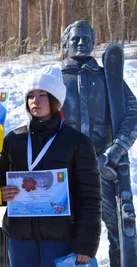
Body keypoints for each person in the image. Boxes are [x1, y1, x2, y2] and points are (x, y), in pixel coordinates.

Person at [0, 65, 102, 267]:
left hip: (60, 239)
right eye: (30, 96)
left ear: (55, 100)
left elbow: (90, 196)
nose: (35, 101)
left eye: (42, 95)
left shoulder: (77, 142)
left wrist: (86, 244)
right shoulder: (14, 139)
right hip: (21, 239)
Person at [60, 20, 137, 267]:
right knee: (62, 229)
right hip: (64, 169)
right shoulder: (53, 78)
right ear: (64, 44)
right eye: (75, 38)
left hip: (103, 167)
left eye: (86, 38)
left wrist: (115, 151)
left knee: (117, 230)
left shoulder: (108, 78)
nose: (81, 42)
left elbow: (133, 112)